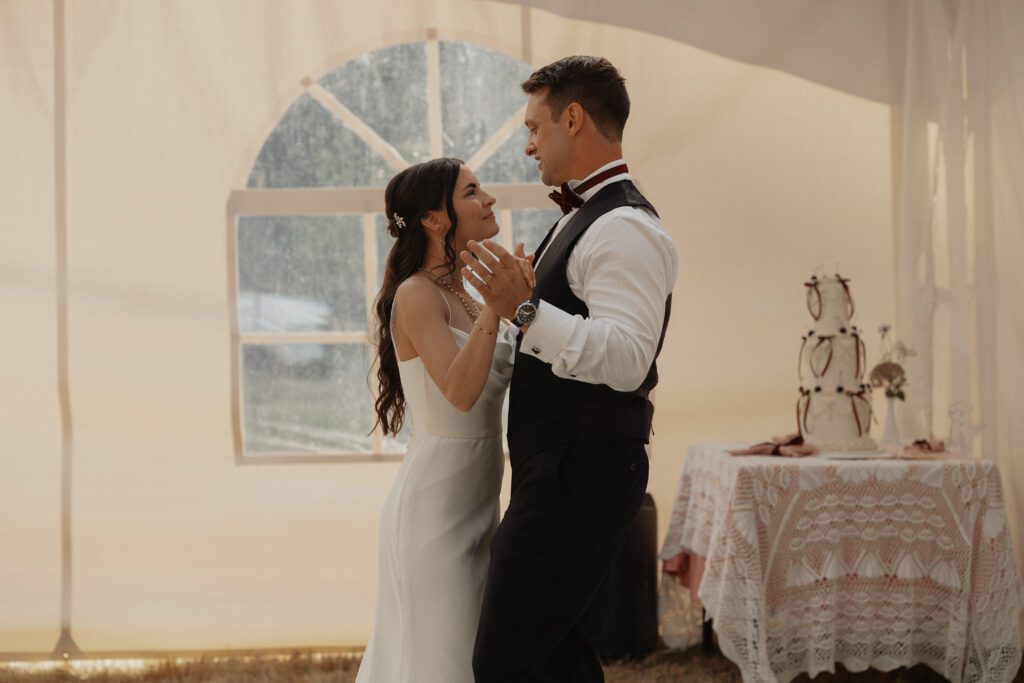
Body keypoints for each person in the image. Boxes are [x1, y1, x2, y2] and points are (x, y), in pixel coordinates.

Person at [463, 56, 678, 682]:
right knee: (557, 656)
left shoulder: (624, 227)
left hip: (582, 471)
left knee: (505, 658)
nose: (528, 145)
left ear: (574, 119)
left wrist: (526, 309)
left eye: (535, 127)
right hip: (564, 467)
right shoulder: (579, 219)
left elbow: (628, 359)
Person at [356, 158, 535, 683]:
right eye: (472, 191)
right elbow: (459, 391)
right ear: (434, 219)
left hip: (477, 501)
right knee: (444, 663)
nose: (489, 200)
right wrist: (497, 307)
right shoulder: (416, 294)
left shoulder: (468, 294)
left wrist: (521, 305)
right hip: (434, 511)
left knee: (474, 659)